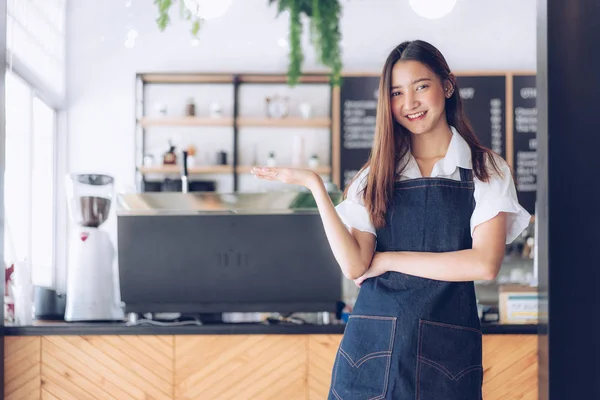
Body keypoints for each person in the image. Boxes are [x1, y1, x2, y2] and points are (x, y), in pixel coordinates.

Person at [251, 40, 530, 399]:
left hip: (446, 354)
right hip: (370, 350)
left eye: (421, 87)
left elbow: (484, 263)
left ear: (447, 86)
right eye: (397, 93)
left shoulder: (486, 170)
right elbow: (355, 266)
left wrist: (388, 260)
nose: (409, 103)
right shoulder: (375, 176)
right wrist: (315, 187)